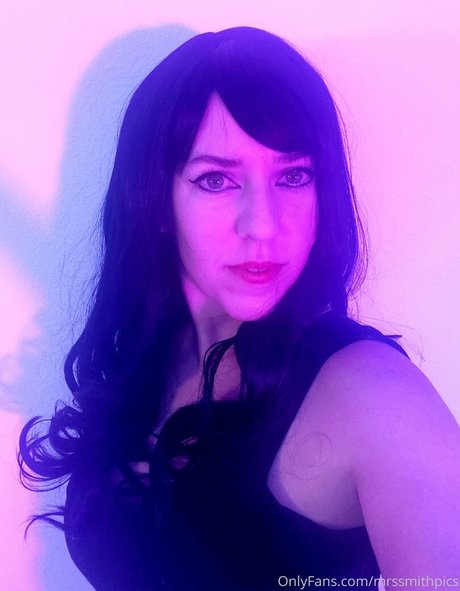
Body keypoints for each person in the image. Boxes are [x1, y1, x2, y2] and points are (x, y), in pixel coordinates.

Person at [19, 26, 460, 591]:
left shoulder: (374, 395)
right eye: (216, 180)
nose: (263, 226)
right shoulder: (148, 355)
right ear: (156, 202)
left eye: (294, 176)